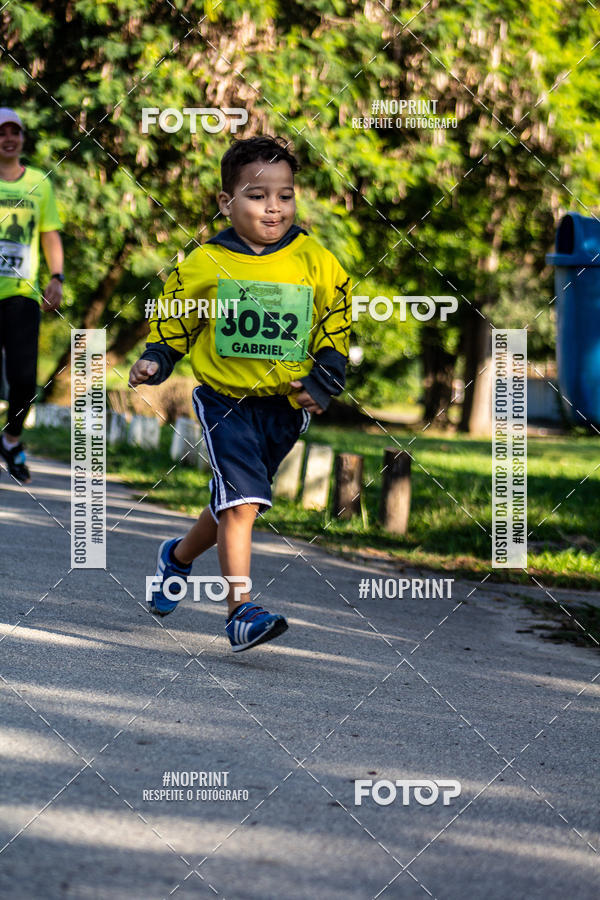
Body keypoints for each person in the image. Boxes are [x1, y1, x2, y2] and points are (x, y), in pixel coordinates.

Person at [129, 135, 350, 652]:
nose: (273, 207)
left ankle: (177, 558)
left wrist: (325, 378)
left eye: (285, 194)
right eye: (257, 195)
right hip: (224, 398)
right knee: (243, 498)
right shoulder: (206, 262)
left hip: (284, 407)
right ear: (226, 203)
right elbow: (175, 321)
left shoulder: (314, 258)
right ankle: (239, 611)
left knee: (238, 503)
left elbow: (335, 325)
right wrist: (157, 358)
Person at [0, 108, 63, 483]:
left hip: (22, 294)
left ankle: (11, 439)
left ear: (22, 139)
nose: (8, 138)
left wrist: (57, 277)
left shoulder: (40, 182)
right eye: (1, 132)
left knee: (24, 379)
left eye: (15, 132)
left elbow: (50, 233)